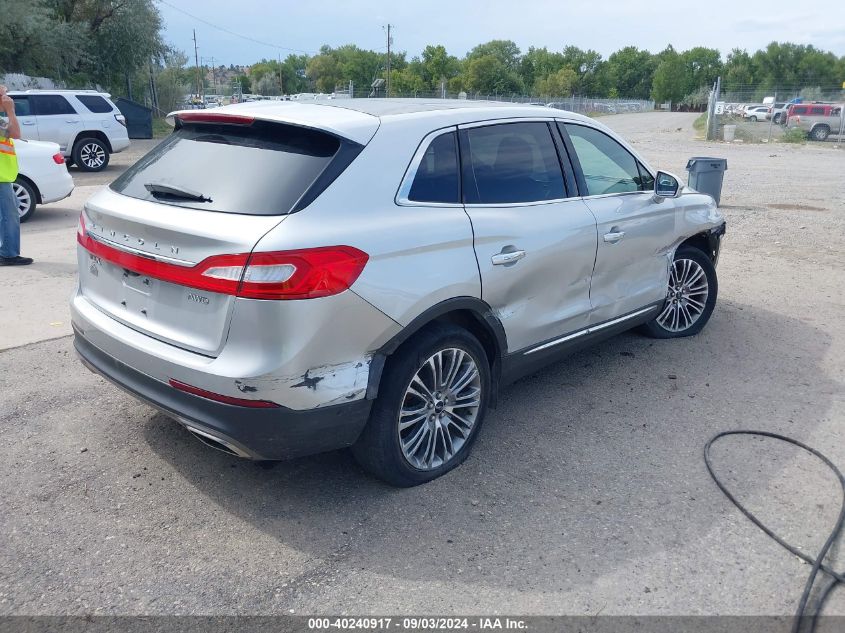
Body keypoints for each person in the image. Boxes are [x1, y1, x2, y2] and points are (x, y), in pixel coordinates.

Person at [0, 84, 33, 266]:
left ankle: (7, 251)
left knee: (6, 215)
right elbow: (16, 133)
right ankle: (8, 254)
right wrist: (11, 111)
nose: (8, 99)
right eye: (4, 96)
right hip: (1, 177)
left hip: (4, 176)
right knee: (9, 215)